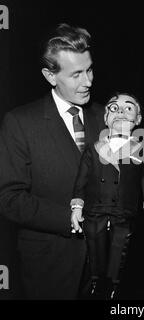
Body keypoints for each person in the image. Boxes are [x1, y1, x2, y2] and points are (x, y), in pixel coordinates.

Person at [0, 23, 105, 299]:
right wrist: (72, 219)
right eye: (76, 74)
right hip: (50, 269)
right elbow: (9, 199)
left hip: (104, 268)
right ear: (50, 76)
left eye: (90, 69)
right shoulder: (20, 123)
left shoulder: (107, 116)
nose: (88, 82)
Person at [70, 92, 144, 299]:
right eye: (114, 108)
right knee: (95, 247)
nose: (120, 113)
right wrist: (77, 207)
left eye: (128, 108)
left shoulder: (141, 150)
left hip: (123, 209)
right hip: (95, 210)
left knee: (120, 248)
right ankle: (96, 282)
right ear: (106, 117)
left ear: (138, 119)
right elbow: (81, 179)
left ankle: (114, 285)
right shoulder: (94, 148)